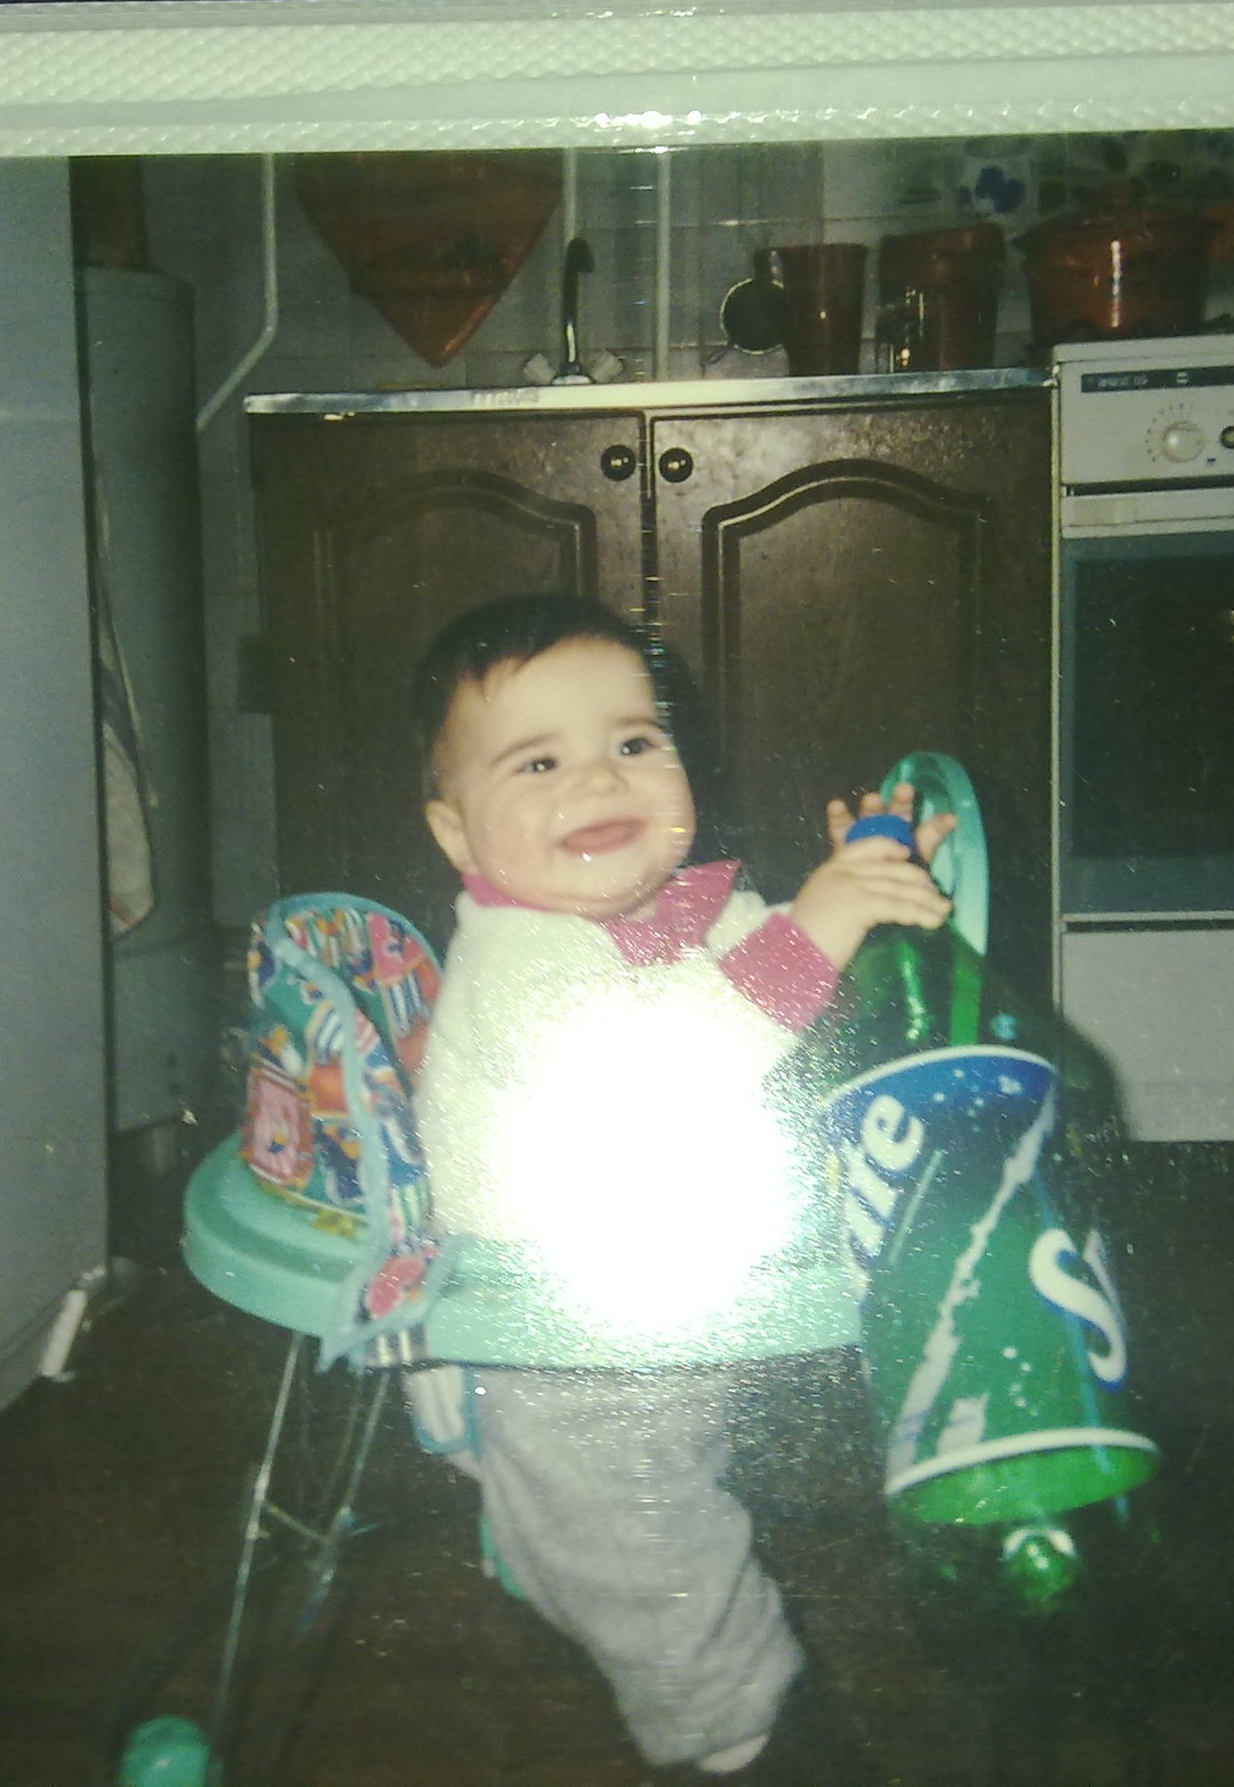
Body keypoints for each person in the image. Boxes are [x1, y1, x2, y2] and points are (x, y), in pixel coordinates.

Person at [407, 593, 950, 1780]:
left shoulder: (659, 904)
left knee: (664, 1482)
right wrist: (822, 923)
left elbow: (761, 954)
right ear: (457, 836)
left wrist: (857, 883)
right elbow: (683, 1051)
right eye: (539, 761)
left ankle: (538, 1525)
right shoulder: (520, 964)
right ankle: (746, 1740)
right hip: (554, 1342)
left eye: (633, 741)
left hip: (643, 1293)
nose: (599, 779)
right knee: (654, 1572)